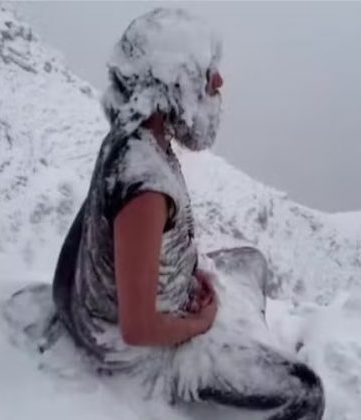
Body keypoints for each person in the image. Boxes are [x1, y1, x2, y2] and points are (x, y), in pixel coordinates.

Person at [50, 8, 324, 419]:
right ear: (174, 84)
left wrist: (187, 274)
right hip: (139, 353)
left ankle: (245, 330)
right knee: (307, 393)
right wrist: (203, 322)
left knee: (250, 260)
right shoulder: (145, 185)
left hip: (118, 310)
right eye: (206, 72)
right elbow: (138, 329)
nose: (218, 82)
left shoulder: (134, 138)